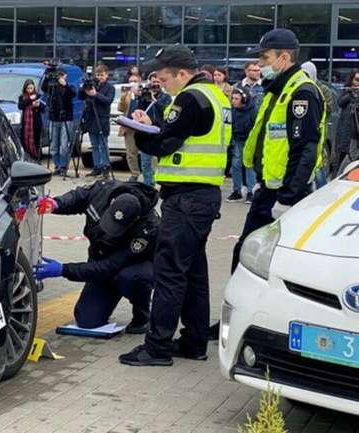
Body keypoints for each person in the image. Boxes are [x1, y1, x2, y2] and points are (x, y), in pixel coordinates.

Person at [119, 44, 230, 367]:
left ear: (182, 73)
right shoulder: (217, 96)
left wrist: (136, 132)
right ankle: (194, 342)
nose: (162, 84)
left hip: (185, 199)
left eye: (165, 77)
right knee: (194, 272)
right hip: (203, 196)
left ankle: (157, 347)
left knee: (169, 272)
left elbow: (166, 143)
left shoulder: (190, 98)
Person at [231, 28, 326, 273]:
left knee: (260, 259)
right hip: (268, 189)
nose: (260, 64)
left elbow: (304, 149)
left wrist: (287, 197)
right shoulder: (278, 89)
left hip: (283, 195)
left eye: (265, 58)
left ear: (283, 58)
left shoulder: (301, 92)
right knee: (248, 254)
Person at [33, 180, 160, 333]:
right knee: (87, 320)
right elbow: (78, 197)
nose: (110, 231)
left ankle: (142, 316)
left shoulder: (147, 230)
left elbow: (108, 267)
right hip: (101, 259)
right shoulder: (103, 190)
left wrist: (64, 270)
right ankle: (108, 294)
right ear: (112, 203)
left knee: (131, 278)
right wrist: (56, 203)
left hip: (131, 267)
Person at [135, 72, 172, 187]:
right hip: (146, 130)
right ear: (149, 82)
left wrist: (154, 100)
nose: (155, 84)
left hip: (160, 130)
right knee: (145, 161)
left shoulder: (166, 97)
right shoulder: (145, 95)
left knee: (161, 160)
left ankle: (162, 182)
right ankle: (148, 184)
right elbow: (139, 110)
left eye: (158, 82)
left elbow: (166, 111)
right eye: (153, 82)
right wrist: (140, 98)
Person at [79, 64, 116, 179]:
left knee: (103, 145)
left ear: (106, 75)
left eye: (102, 75)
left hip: (102, 119)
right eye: (98, 75)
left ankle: (105, 167)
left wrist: (96, 94)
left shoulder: (110, 88)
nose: (100, 77)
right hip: (91, 119)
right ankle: (97, 167)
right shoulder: (92, 85)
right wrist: (83, 88)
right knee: (94, 145)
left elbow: (108, 100)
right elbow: (81, 97)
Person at [301, 61, 333, 188]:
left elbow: (328, 109)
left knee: (317, 165)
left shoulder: (323, 90)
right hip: (302, 130)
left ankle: (322, 191)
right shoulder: (301, 87)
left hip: (318, 131)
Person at [41, 67, 76, 177]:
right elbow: (44, 88)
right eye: (58, 74)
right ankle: (57, 165)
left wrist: (64, 84)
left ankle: (63, 166)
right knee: (53, 145)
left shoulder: (69, 86)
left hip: (66, 118)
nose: (59, 77)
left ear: (65, 75)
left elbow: (73, 93)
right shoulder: (52, 86)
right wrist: (47, 78)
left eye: (61, 74)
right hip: (54, 117)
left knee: (64, 145)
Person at [227, 87, 259, 203]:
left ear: (244, 100)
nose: (233, 101)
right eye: (233, 98)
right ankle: (237, 191)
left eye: (236, 99)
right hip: (237, 139)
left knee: (249, 165)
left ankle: (251, 192)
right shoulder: (232, 110)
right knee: (236, 165)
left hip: (249, 140)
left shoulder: (253, 110)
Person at [119, 74, 143, 181]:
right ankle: (135, 173)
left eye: (135, 81)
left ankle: (149, 173)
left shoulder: (144, 93)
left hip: (143, 127)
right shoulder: (127, 94)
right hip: (129, 127)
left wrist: (139, 94)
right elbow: (121, 108)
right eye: (130, 81)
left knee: (146, 153)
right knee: (130, 153)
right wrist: (123, 97)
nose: (132, 83)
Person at [336, 70, 359, 172]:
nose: (358, 83)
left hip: (356, 137)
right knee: (341, 165)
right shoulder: (347, 92)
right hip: (345, 135)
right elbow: (340, 102)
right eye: (357, 80)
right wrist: (351, 94)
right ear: (352, 80)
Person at [18, 79, 44, 160]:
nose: (30, 90)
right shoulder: (22, 97)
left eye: (31, 88)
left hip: (35, 123)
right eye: (28, 88)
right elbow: (20, 106)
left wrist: (38, 105)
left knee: (36, 142)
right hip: (26, 124)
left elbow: (43, 108)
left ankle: (36, 158)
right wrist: (30, 100)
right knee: (25, 142)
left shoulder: (38, 96)